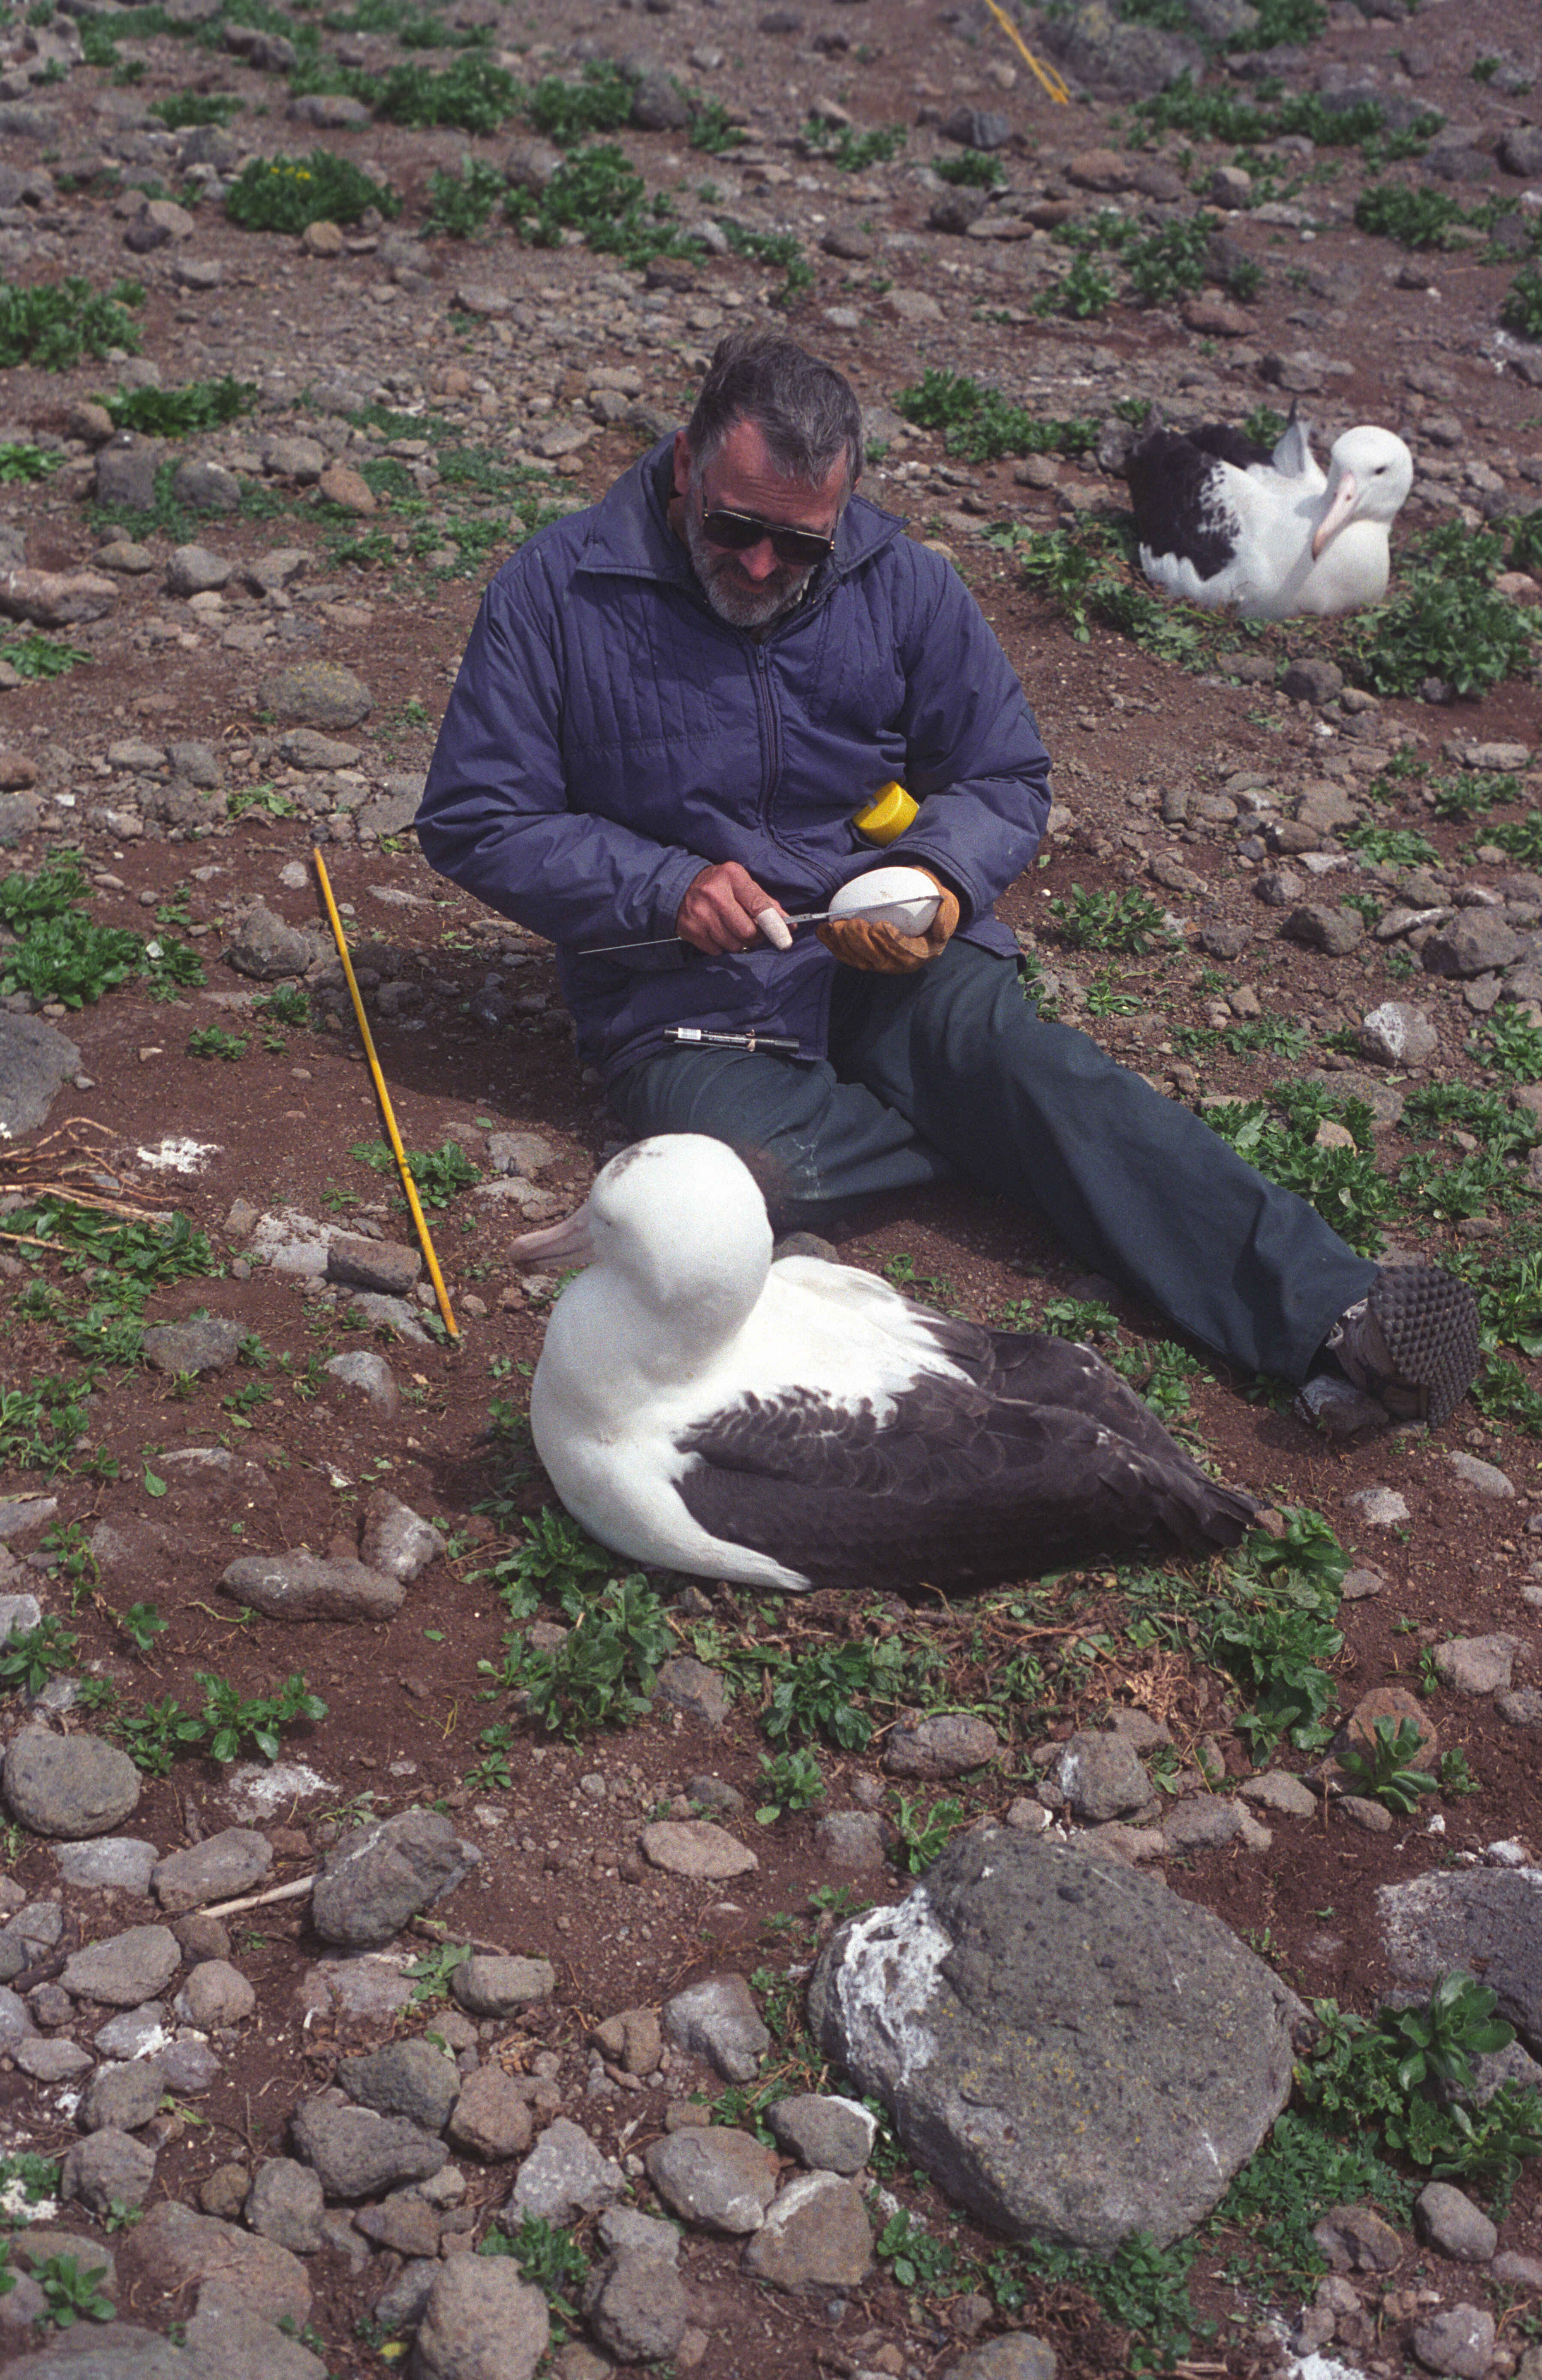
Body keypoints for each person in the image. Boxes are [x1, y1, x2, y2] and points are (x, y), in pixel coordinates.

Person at [415, 332, 1480, 1427]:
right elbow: (474, 816)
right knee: (742, 1180)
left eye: (800, 542)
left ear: (846, 503)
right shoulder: (557, 591)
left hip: (888, 951)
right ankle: (1001, 1130)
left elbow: (1004, 774)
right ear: (685, 465)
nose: (762, 566)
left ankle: (1342, 1317)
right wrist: (662, 888)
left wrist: (939, 875)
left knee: (1030, 1066)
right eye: (734, 528)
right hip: (679, 1001)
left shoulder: (902, 580)